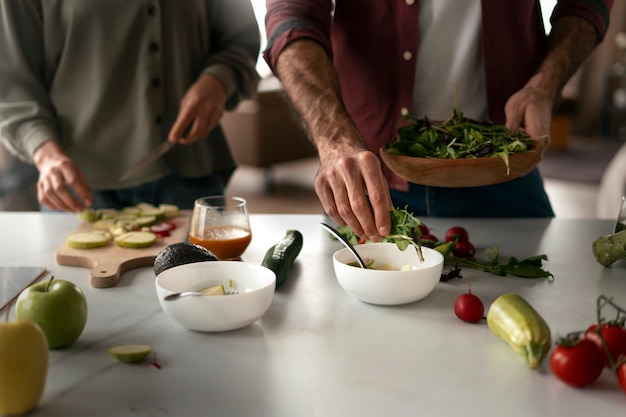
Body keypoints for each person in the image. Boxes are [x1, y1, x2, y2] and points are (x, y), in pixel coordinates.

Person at [263, 0, 614, 241]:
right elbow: (293, 16)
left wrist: (545, 84)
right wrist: (334, 138)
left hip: (504, 169)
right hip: (370, 181)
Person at [0, 0, 260, 212]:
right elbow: (11, 82)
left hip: (189, 170)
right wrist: (46, 154)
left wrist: (218, 81)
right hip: (77, 187)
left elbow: (240, 40)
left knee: (207, 277)